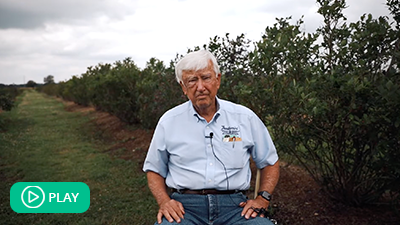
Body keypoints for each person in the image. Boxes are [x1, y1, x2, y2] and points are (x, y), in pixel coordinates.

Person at [143, 49, 279, 225]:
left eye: (206, 78)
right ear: (183, 87)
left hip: (236, 208)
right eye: (192, 80)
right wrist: (164, 201)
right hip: (186, 209)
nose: (200, 87)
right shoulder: (169, 122)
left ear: (218, 80)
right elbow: (154, 169)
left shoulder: (245, 117)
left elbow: (270, 161)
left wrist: (263, 198)